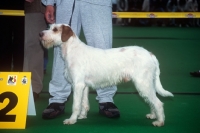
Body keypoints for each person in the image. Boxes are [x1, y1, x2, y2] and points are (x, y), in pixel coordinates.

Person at [41, 0, 120, 119]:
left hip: (98, 3)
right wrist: (50, 3)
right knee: (62, 46)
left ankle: (106, 98)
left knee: (103, 49)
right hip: (67, 3)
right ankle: (57, 99)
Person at [23, 0, 48, 100]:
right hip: (34, 6)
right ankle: (32, 87)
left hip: (65, 5)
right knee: (33, 45)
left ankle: (63, 90)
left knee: (66, 46)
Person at [0, 1, 24, 72]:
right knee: (3, 44)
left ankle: (19, 72)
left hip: (23, 7)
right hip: (3, 9)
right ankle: (2, 74)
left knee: (20, 44)